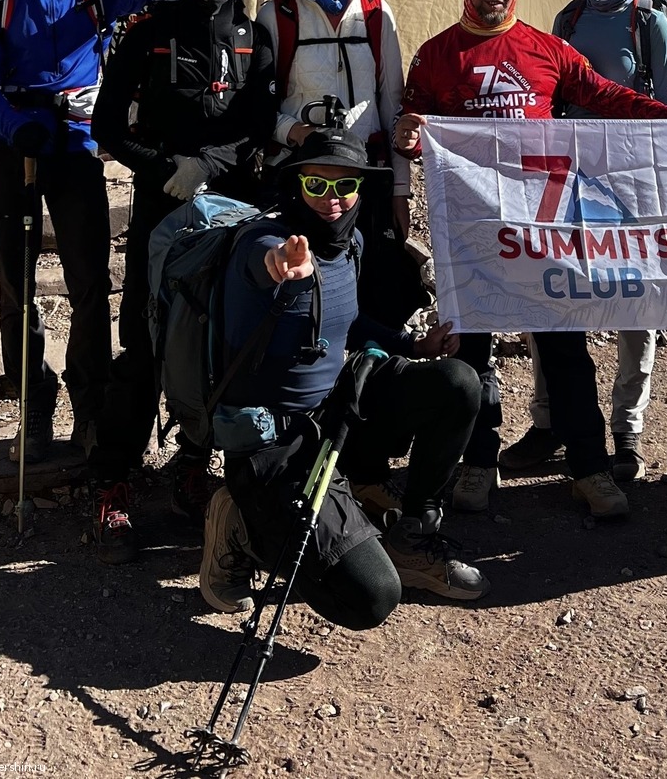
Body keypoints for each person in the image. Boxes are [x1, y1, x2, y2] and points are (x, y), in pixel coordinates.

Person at [394, 0, 667, 520]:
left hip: (542, 227)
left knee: (564, 347)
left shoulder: (545, 48)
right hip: (473, 230)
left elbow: (602, 95)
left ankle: (589, 468)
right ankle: (478, 461)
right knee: (474, 349)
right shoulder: (436, 55)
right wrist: (408, 135)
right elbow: (411, 125)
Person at [199, 129, 489, 617]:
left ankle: (410, 534)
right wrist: (280, 266)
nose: (330, 199)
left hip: (338, 405)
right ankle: (241, 526)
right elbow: (262, 262)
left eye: (344, 185)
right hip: (278, 439)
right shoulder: (267, 241)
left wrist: (412, 346)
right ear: (297, 185)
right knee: (371, 598)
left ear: (360, 188)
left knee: (456, 383)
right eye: (316, 184)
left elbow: (345, 319)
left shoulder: (349, 241)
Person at [0, 0, 179, 464]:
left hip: (76, 144)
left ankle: (90, 403)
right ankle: (34, 402)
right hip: (14, 146)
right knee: (16, 283)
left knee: (89, 280)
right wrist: (14, 126)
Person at [86, 0, 276, 563]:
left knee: (216, 336)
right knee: (143, 339)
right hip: (161, 204)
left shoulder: (254, 38)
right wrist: (164, 167)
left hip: (229, 209)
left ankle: (193, 467)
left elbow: (258, 125)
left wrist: (208, 165)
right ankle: (114, 480)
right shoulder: (148, 31)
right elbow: (107, 124)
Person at [503, 0, 667, 485]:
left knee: (635, 298)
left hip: (631, 173)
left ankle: (628, 431)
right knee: (556, 287)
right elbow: (556, 97)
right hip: (575, 173)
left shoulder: (647, 20)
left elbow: (666, 104)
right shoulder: (569, 19)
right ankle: (550, 419)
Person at [257, 0, 423, 327]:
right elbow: (260, 106)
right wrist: (296, 133)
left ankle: (374, 365)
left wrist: (400, 189)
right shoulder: (277, 14)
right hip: (305, 176)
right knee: (309, 289)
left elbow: (392, 101)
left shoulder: (375, 10)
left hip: (364, 174)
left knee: (373, 285)